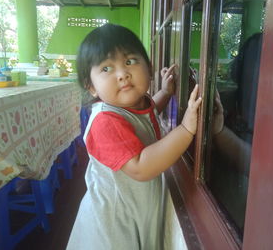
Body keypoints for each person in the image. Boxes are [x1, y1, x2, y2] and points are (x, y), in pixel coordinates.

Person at [66, 23, 202, 250]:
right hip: (114, 224)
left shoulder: (134, 105)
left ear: (148, 68)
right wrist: (186, 129)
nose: (122, 74)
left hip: (135, 208)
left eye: (129, 62)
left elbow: (146, 116)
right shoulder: (104, 122)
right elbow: (139, 166)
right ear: (91, 87)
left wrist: (166, 93)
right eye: (107, 69)